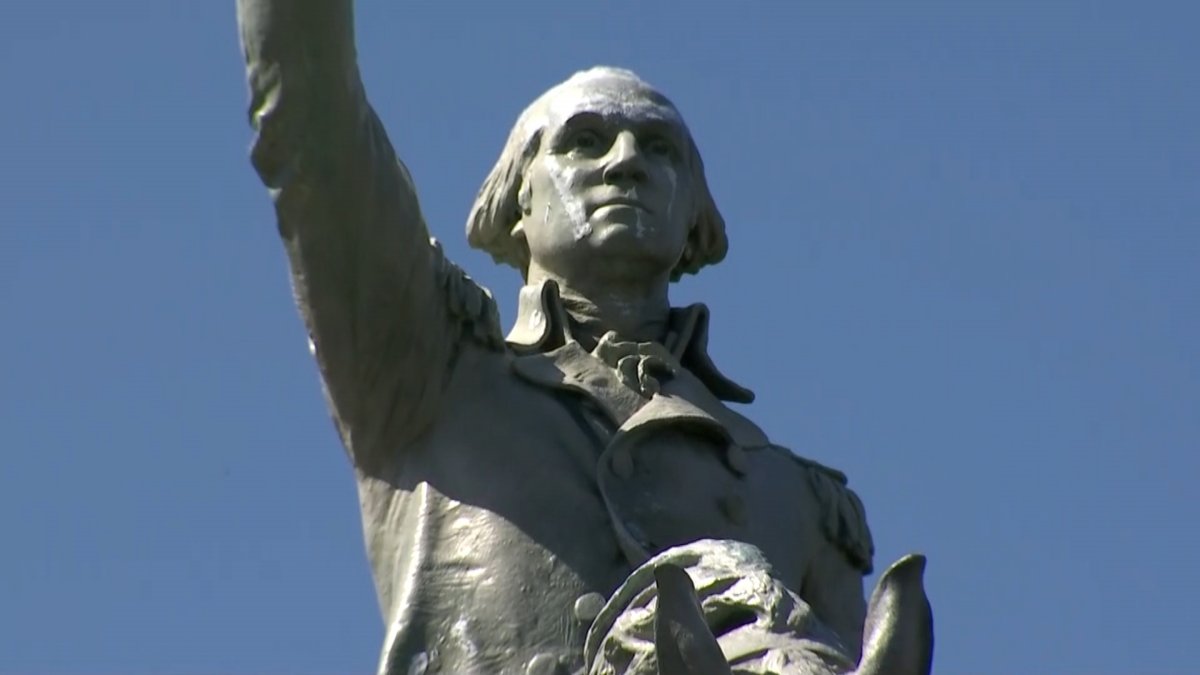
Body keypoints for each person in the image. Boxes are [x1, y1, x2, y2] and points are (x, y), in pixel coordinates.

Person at [237, 1, 875, 673]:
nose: (626, 162)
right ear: (517, 201)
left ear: (696, 216)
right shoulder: (425, 371)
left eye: (659, 149)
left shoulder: (798, 498)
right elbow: (314, 127)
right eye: (584, 140)